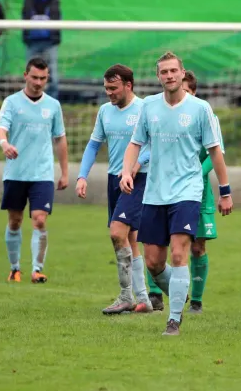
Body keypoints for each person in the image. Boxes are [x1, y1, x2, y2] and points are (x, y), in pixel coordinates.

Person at [120, 51, 233, 336]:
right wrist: (126, 170)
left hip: (187, 191)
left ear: (182, 74)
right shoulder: (149, 107)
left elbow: (215, 152)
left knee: (180, 254)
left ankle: (173, 320)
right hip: (155, 192)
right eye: (164, 72)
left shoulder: (200, 109)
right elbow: (135, 143)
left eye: (173, 71)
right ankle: (179, 297)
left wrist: (225, 191)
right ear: (158, 76)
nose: (169, 76)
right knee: (154, 263)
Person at [144, 70, 225, 314]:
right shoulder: (158, 112)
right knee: (158, 244)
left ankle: (196, 301)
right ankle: (156, 294)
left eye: (188, 91)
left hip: (196, 192)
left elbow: (216, 154)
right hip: (164, 189)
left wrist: (196, 174)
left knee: (197, 247)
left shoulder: (205, 114)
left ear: (193, 92)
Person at [75, 64, 153, 314]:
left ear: (128, 85)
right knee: (130, 238)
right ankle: (144, 299)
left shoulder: (144, 109)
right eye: (106, 88)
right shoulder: (104, 111)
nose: (108, 93)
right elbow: (93, 145)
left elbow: (153, 145)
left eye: (113, 88)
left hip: (138, 179)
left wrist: (133, 167)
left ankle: (125, 296)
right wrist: (82, 176)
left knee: (117, 232)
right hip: (113, 180)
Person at [0, 57, 69, 283]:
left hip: (42, 174)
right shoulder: (11, 102)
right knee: (15, 221)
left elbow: (60, 139)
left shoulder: (53, 105)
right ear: (25, 75)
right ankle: (15, 268)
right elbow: (0, 129)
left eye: (43, 78)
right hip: (16, 173)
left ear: (48, 78)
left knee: (39, 220)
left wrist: (64, 172)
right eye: (34, 77)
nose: (38, 82)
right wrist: (5, 144)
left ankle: (37, 269)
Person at [22, 0, 61, 100]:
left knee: (52, 71)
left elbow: (57, 19)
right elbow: (24, 18)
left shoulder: (54, 1)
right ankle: (30, 98)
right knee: (31, 71)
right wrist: (26, 37)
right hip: (32, 42)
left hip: (49, 43)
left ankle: (53, 99)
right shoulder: (28, 1)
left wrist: (55, 38)